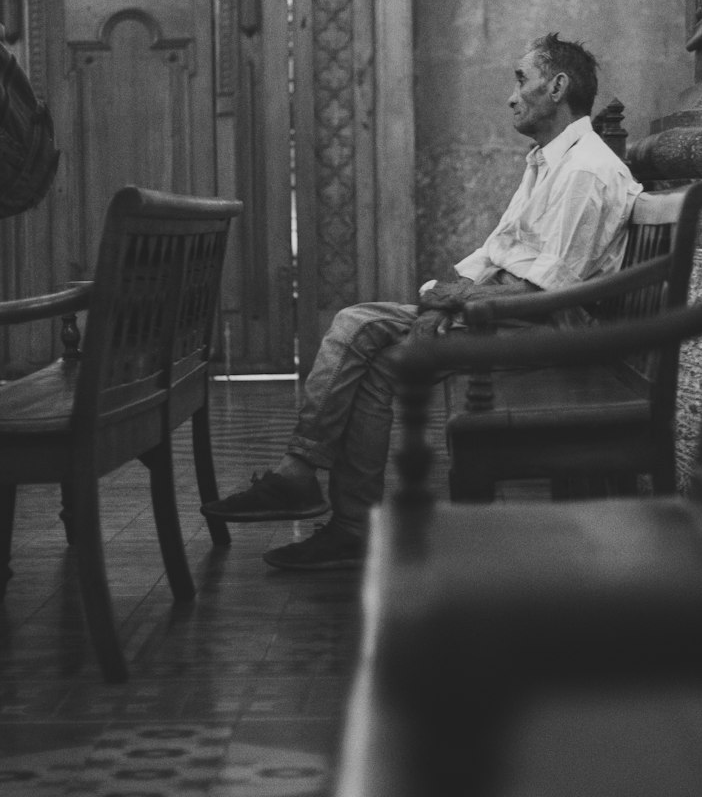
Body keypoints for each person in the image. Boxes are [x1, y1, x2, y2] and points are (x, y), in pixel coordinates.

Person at [203, 32, 642, 569]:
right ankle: (347, 523)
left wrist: (450, 304)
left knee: (355, 321)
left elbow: (549, 290)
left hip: (551, 328)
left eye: (521, 79)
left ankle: (304, 477)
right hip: (506, 313)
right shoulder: (549, 161)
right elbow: (496, 252)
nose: (511, 95)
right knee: (382, 363)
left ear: (557, 86)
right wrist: (444, 296)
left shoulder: (586, 170)